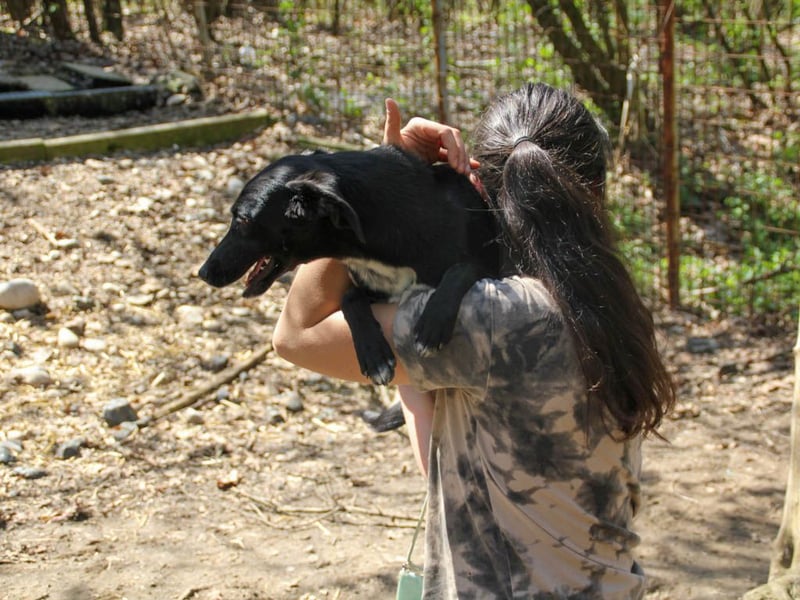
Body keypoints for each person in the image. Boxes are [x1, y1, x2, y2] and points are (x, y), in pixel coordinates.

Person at [272, 83, 675, 599]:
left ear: (478, 187)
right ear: (594, 192)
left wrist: (379, 179)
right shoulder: (615, 308)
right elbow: (452, 467)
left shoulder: (493, 319)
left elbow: (296, 333)